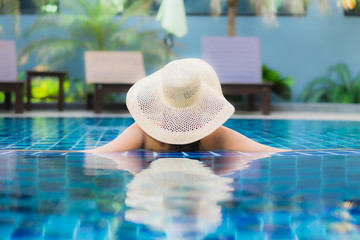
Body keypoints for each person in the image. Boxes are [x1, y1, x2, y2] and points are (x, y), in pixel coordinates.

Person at [85, 58, 288, 153]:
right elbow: (270, 153)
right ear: (203, 100)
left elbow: (99, 154)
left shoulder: (144, 133)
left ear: (161, 98)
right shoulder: (215, 136)